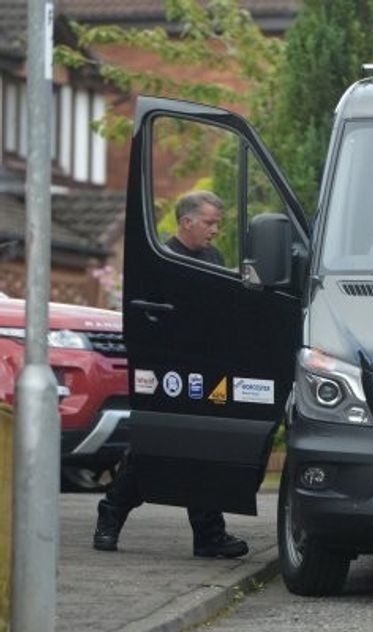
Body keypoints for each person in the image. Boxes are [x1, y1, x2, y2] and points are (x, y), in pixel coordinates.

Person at [93, 191, 248, 558]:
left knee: (204, 448)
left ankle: (209, 536)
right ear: (186, 222)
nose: (215, 230)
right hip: (170, 369)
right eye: (209, 222)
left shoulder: (214, 258)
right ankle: (110, 516)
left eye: (217, 223)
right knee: (154, 448)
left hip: (207, 368)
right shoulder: (162, 258)